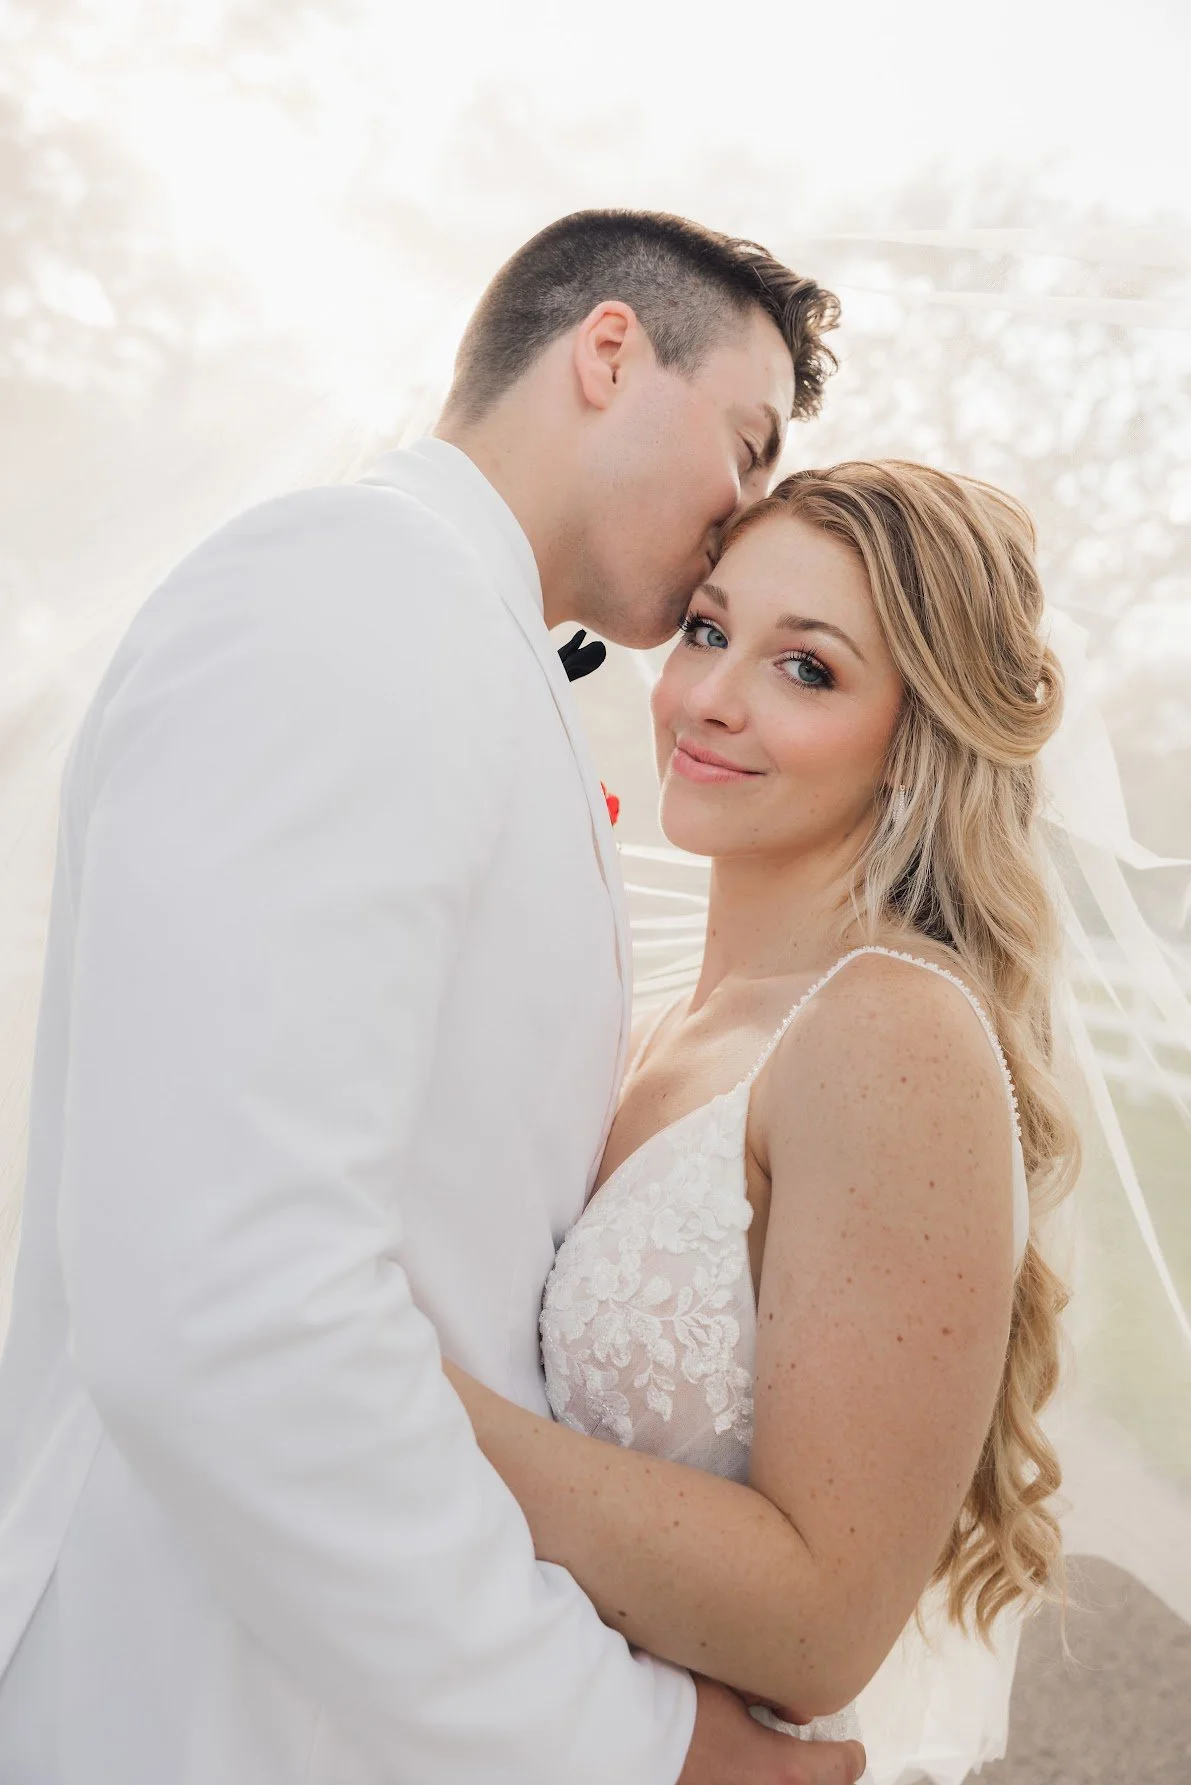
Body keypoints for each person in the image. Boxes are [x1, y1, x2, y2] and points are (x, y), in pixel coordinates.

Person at [0, 209, 865, 1785]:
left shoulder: (457, 643)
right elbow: (228, 1309)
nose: (743, 509)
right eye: (744, 443)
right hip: (193, 1703)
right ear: (607, 351)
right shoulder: (351, 598)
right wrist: (628, 1742)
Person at [442, 459, 1078, 1768]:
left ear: (914, 736)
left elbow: (817, 1625)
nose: (709, 700)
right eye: (707, 630)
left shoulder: (887, 1035)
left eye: (807, 670)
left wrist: (383, 1404)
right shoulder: (656, 1001)